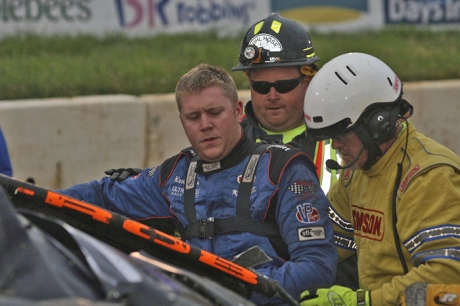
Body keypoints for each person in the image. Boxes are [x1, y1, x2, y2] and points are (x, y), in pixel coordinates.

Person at [59, 63, 338, 304]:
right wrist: (20, 200)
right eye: (193, 117)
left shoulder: (284, 170)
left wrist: (239, 290)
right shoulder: (174, 175)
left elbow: (317, 267)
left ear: (238, 111)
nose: (205, 125)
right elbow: (100, 196)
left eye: (215, 113)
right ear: (182, 122)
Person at [299, 52, 460, 306]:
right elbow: (325, 240)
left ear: (378, 124)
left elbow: (447, 277)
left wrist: (363, 302)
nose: (335, 144)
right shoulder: (356, 172)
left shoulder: (428, 177)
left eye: (340, 134)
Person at [231, 13, 340, 193]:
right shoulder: (230, 141)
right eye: (261, 86)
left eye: (284, 85)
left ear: (308, 81)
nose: (272, 95)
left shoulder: (344, 138)